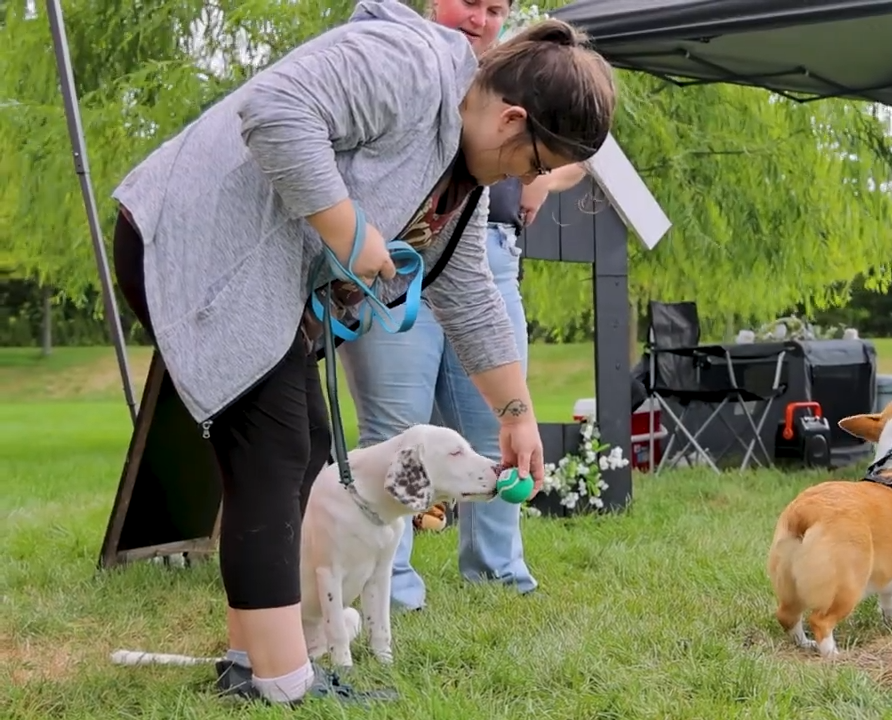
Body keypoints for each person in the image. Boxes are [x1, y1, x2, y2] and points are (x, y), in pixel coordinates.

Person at [109, 0, 615, 705]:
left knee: (302, 443)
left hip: (258, 278)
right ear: (511, 121)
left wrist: (515, 412)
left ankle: (250, 664)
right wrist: (354, 236)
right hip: (189, 247)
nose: (511, 181)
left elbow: (467, 293)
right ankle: (284, 687)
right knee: (278, 449)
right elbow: (274, 110)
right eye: (531, 164)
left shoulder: (459, 176)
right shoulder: (408, 64)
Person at [338, 0, 588, 611]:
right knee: (395, 423)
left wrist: (540, 177)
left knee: (494, 424)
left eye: (495, 7)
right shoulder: (403, 69)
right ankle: (387, 586)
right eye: (467, 2)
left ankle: (500, 572)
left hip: (490, 259)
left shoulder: (524, 73)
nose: (479, 17)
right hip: (395, 259)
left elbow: (582, 155)